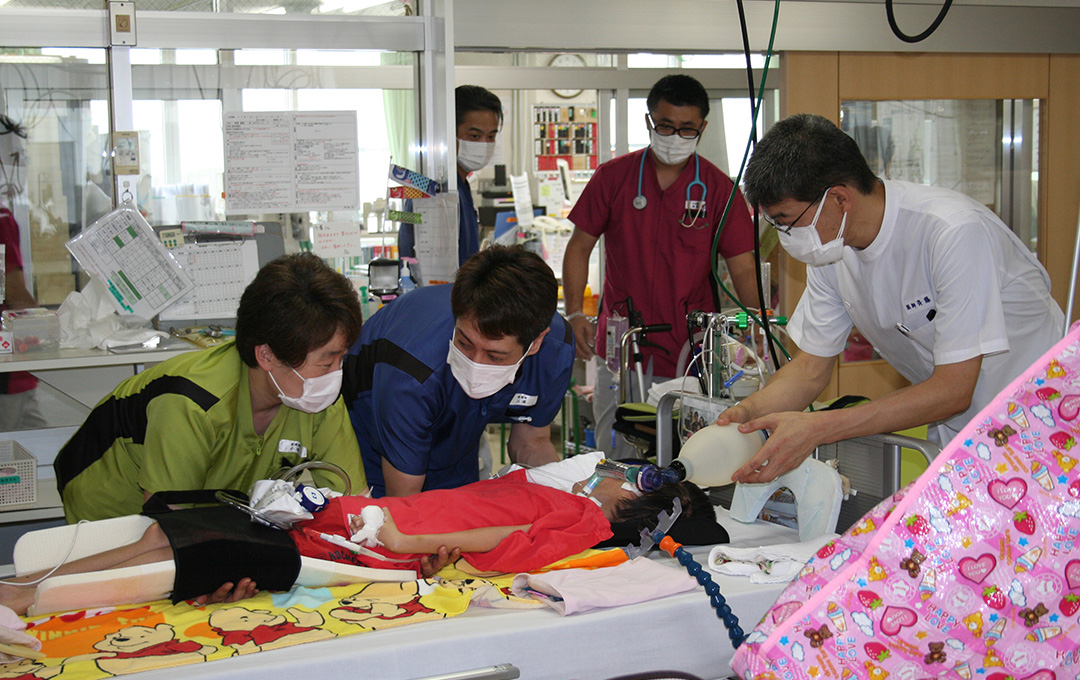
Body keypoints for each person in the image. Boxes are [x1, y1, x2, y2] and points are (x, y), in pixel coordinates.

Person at [720, 112, 1065, 484]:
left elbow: (953, 389)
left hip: (1044, 423)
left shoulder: (950, 233)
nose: (784, 236)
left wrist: (819, 427)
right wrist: (744, 416)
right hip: (962, 432)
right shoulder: (831, 249)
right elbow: (809, 370)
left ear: (838, 198)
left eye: (786, 220)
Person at [0, 454, 722, 616]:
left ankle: (27, 591)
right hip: (344, 516)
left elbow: (501, 538)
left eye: (643, 480)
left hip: (363, 545)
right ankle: (23, 583)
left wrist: (406, 546)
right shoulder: (561, 483)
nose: (625, 471)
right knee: (188, 525)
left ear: (640, 509)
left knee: (199, 545)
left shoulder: (584, 520)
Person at [54, 253, 367, 523]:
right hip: (111, 507)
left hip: (212, 513)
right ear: (267, 355)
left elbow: (356, 505)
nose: (335, 374)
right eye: (326, 362)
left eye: (342, 358)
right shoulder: (191, 402)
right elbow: (172, 527)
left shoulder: (317, 396)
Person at [562, 74, 760, 456]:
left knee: (686, 453)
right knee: (616, 450)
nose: (675, 136)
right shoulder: (614, 178)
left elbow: (743, 266)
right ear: (649, 121)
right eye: (666, 126)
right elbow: (578, 246)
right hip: (622, 341)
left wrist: (755, 326)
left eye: (687, 129)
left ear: (702, 128)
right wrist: (574, 311)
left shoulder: (719, 190)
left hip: (691, 349)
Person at [341, 245, 575, 497]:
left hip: (457, 445)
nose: (475, 363)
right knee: (384, 521)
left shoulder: (555, 350)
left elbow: (532, 441)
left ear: (536, 343)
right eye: (464, 343)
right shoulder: (412, 366)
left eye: (495, 356)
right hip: (374, 439)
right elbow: (403, 501)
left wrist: (560, 496)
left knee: (458, 504)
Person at [398, 84, 501, 267]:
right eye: (475, 136)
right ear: (448, 134)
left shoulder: (459, 184)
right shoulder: (432, 186)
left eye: (491, 137)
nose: (484, 145)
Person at [0, 114, 47, 431]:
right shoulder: (2, 219)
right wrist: (52, 325)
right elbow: (13, 292)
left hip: (15, 369)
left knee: (42, 449)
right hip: (7, 368)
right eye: (15, 158)